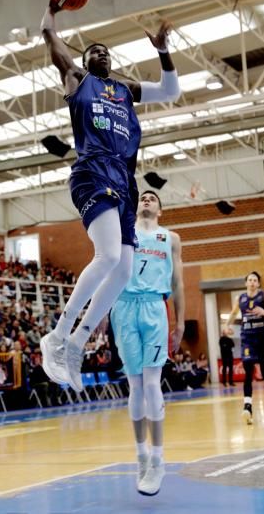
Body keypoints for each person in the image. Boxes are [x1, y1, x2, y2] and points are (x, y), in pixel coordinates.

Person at [40, 0, 181, 392]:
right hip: (93, 169)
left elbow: (170, 90)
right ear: (84, 62)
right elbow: (48, 34)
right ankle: (58, 335)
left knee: (121, 270)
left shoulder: (124, 89)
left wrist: (164, 50)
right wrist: (52, 5)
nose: (101, 53)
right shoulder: (77, 80)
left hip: (125, 180)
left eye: (105, 50)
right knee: (108, 256)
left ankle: (76, 344)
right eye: (93, 51)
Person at [110, 190, 184, 496]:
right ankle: (141, 454)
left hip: (154, 307)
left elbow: (178, 282)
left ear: (161, 210)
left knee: (152, 384)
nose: (147, 199)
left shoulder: (171, 238)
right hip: (124, 307)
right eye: (144, 197)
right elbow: (110, 270)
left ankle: (158, 459)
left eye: (154, 198)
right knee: (136, 386)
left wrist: (180, 323)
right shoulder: (124, 231)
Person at [226, 271, 264, 425]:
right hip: (247, 339)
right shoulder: (241, 298)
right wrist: (227, 326)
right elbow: (232, 314)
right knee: (248, 372)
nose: (252, 282)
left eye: (255, 280)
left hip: (262, 339)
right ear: (246, 283)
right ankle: (248, 407)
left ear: (258, 284)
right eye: (249, 280)